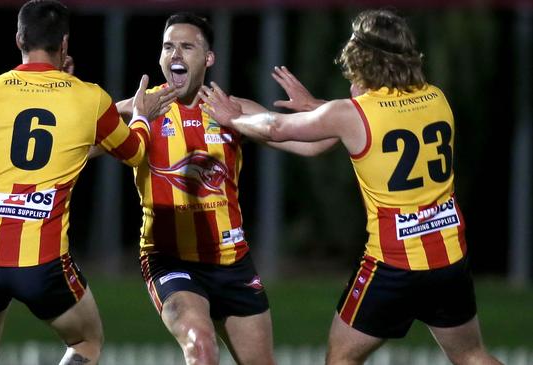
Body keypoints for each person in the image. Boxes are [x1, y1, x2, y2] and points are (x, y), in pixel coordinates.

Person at [200, 9, 502, 365]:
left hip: (392, 265)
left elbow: (278, 128)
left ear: (362, 59)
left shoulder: (352, 113)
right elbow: (382, 117)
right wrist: (316, 107)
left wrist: (233, 118)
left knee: (341, 358)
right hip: (449, 258)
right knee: (471, 355)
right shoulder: (436, 98)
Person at [0, 1, 174, 364]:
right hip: (43, 263)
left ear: (19, 38)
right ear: (64, 44)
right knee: (86, 344)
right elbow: (136, 153)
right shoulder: (88, 96)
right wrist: (141, 115)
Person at [112, 13, 285, 365]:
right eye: (168, 47)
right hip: (170, 260)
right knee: (201, 348)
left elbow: (309, 144)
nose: (175, 54)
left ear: (208, 59)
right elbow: (75, 146)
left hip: (232, 262)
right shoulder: (139, 111)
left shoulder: (231, 111)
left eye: (186, 47)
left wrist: (317, 111)